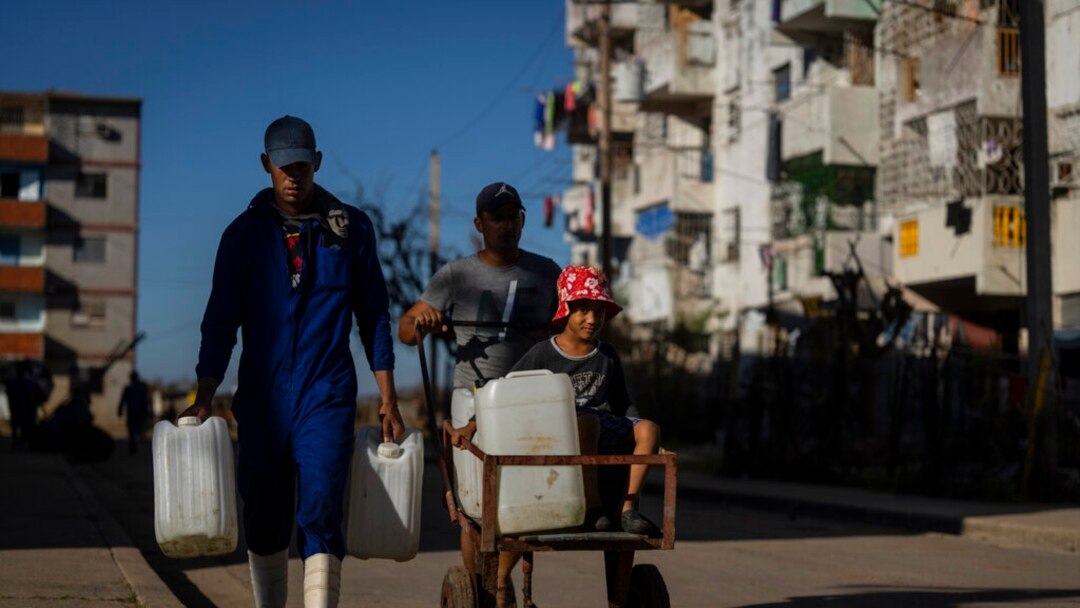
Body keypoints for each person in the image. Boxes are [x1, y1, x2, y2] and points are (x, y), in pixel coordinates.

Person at [179, 115, 404, 608]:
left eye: (302, 165)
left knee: (321, 503)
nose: (293, 176)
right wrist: (203, 397)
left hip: (325, 393)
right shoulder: (241, 237)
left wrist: (387, 397)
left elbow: (374, 316)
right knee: (262, 510)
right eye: (283, 166)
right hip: (261, 398)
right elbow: (219, 323)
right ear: (265, 165)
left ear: (317, 163)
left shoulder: (351, 230)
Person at [399, 181, 563, 608]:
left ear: (522, 220)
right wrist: (424, 319)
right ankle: (480, 587)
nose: (507, 225)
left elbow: (572, 325)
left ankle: (500, 584)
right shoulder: (456, 275)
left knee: (530, 497)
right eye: (498, 217)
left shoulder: (547, 272)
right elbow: (405, 327)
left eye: (514, 216)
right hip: (474, 396)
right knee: (476, 508)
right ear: (480, 223)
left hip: (531, 398)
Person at [510, 265, 662, 536]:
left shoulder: (607, 355)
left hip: (599, 425)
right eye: (583, 310)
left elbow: (622, 402)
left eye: (599, 312)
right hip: (558, 431)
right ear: (566, 310)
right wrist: (474, 424)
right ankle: (593, 508)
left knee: (649, 428)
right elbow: (509, 392)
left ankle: (627, 509)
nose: (592, 319)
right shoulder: (543, 353)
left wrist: (639, 434)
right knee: (588, 422)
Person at [5, 358, 52, 449]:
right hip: (25, 404)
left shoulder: (25, 378)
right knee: (25, 421)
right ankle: (21, 440)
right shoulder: (26, 379)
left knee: (24, 422)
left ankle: (21, 440)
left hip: (26, 404)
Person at [117, 370, 150, 454]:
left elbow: (122, 401)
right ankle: (135, 446)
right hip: (138, 414)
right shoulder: (140, 388)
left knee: (132, 431)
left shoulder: (129, 388)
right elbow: (146, 402)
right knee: (136, 430)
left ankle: (133, 447)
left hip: (132, 414)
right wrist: (146, 413)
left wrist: (119, 410)